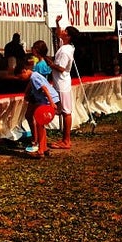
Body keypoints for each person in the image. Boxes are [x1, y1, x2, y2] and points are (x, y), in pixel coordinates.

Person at [46, 16, 79, 150]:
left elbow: (62, 68)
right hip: (59, 82)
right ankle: (64, 139)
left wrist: (50, 64)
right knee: (64, 111)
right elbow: (58, 33)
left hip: (62, 82)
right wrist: (57, 22)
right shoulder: (65, 46)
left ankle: (66, 140)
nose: (62, 32)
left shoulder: (66, 51)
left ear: (69, 36)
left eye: (65, 31)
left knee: (66, 112)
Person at [15, 61, 59, 159]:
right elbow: (32, 86)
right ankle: (44, 148)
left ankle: (41, 150)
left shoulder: (34, 77)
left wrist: (51, 102)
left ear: (24, 71)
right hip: (46, 100)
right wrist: (26, 93)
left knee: (40, 124)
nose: (21, 79)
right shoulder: (34, 76)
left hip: (47, 101)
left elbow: (44, 89)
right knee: (41, 125)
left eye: (21, 77)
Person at [23, 40, 53, 152]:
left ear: (36, 50)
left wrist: (27, 92)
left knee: (31, 116)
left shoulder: (39, 66)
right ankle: (38, 142)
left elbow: (34, 81)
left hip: (36, 93)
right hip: (39, 94)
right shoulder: (45, 63)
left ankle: (35, 141)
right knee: (34, 117)